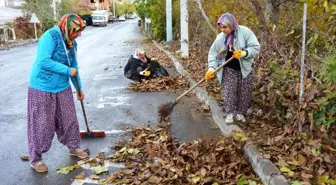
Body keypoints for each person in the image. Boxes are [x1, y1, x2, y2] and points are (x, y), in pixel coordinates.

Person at [27, 14, 89, 173]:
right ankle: (36, 159)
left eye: (80, 31)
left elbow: (74, 66)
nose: (79, 34)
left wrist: (79, 89)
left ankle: (74, 147)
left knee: (69, 119)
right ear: (68, 28)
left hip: (62, 87)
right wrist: (67, 70)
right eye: (76, 31)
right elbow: (43, 61)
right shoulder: (50, 37)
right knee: (42, 124)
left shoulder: (72, 43)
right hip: (42, 87)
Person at [205, 13, 260, 124]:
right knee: (229, 91)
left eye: (225, 27)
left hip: (245, 68)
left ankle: (240, 113)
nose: (222, 29)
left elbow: (255, 47)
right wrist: (211, 68)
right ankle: (230, 113)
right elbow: (213, 53)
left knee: (244, 92)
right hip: (229, 68)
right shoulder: (221, 38)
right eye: (220, 27)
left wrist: (244, 53)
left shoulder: (245, 32)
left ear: (232, 25)